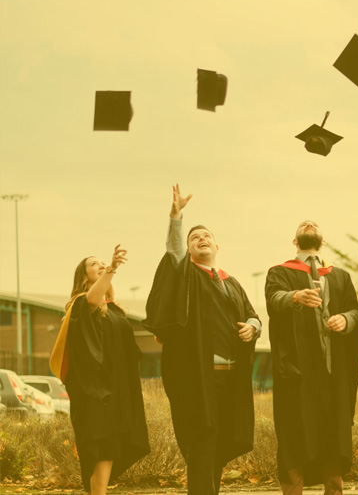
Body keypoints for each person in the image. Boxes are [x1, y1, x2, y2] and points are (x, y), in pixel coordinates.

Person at [144, 184, 261, 495]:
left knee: (220, 443)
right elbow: (174, 252)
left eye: (206, 235)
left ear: (217, 246)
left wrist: (253, 327)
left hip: (231, 378)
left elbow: (253, 315)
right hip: (199, 378)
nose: (201, 238)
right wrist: (176, 217)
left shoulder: (231, 283)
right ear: (189, 249)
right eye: (194, 237)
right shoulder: (186, 275)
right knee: (202, 442)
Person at [265, 220, 358, 495]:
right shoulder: (280, 272)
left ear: (324, 242)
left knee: (334, 432)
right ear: (295, 242)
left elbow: (357, 311)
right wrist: (296, 296)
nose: (309, 224)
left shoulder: (340, 276)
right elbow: (274, 299)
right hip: (297, 370)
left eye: (314, 224)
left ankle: (334, 491)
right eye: (303, 225)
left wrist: (346, 319)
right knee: (294, 431)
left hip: (334, 370)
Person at [50, 246, 149, 495]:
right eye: (94, 264)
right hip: (94, 391)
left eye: (102, 262)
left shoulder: (114, 310)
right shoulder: (80, 304)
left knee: (110, 447)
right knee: (100, 446)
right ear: (83, 277)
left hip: (115, 389)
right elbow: (92, 301)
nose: (101, 265)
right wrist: (112, 268)